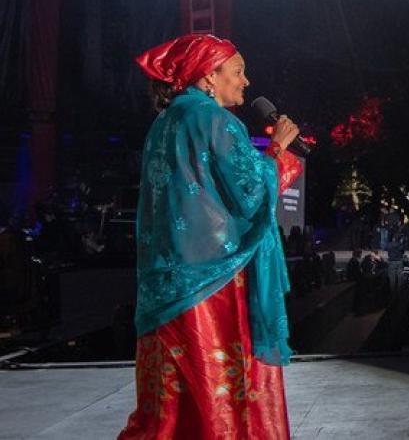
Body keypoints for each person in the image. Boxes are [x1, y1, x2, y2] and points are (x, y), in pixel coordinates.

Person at [118, 34, 303, 439]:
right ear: (207, 77)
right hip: (210, 283)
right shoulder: (216, 120)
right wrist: (277, 153)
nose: (246, 81)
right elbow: (252, 192)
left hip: (165, 282)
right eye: (237, 71)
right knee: (217, 396)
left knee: (167, 405)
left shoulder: (163, 124)